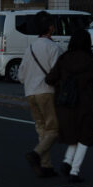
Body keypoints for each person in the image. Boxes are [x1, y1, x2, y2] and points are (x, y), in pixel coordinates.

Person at [45, 29, 93, 183]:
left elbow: (50, 78)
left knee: (73, 134)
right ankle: (74, 170)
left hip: (65, 103)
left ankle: (67, 161)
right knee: (85, 136)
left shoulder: (64, 58)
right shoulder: (89, 60)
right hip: (84, 103)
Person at [17, 11, 62, 177]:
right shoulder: (54, 48)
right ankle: (36, 154)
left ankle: (46, 165)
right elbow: (58, 72)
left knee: (41, 129)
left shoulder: (29, 48)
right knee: (53, 129)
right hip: (47, 92)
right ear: (50, 28)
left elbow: (21, 75)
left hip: (30, 92)